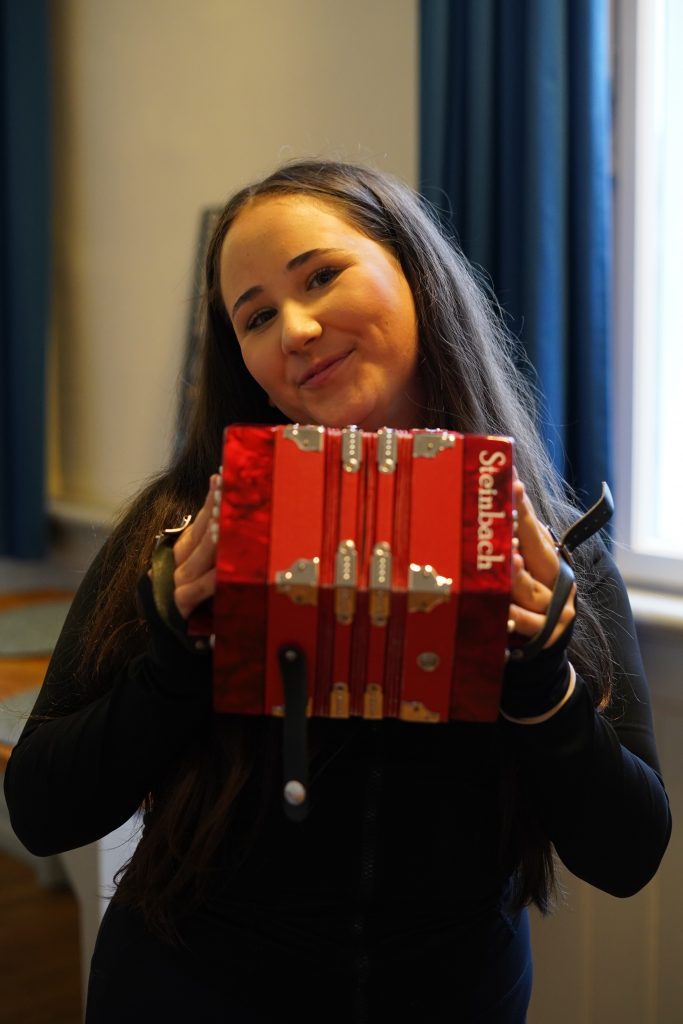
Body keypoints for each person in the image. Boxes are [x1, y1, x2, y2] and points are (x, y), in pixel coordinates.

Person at [4, 160, 671, 1023]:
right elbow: (43, 810)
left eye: (320, 276)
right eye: (256, 317)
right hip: (191, 993)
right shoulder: (181, 528)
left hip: (455, 998)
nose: (296, 328)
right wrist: (175, 664)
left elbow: (625, 854)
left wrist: (542, 685)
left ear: (414, 274)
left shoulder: (549, 545)